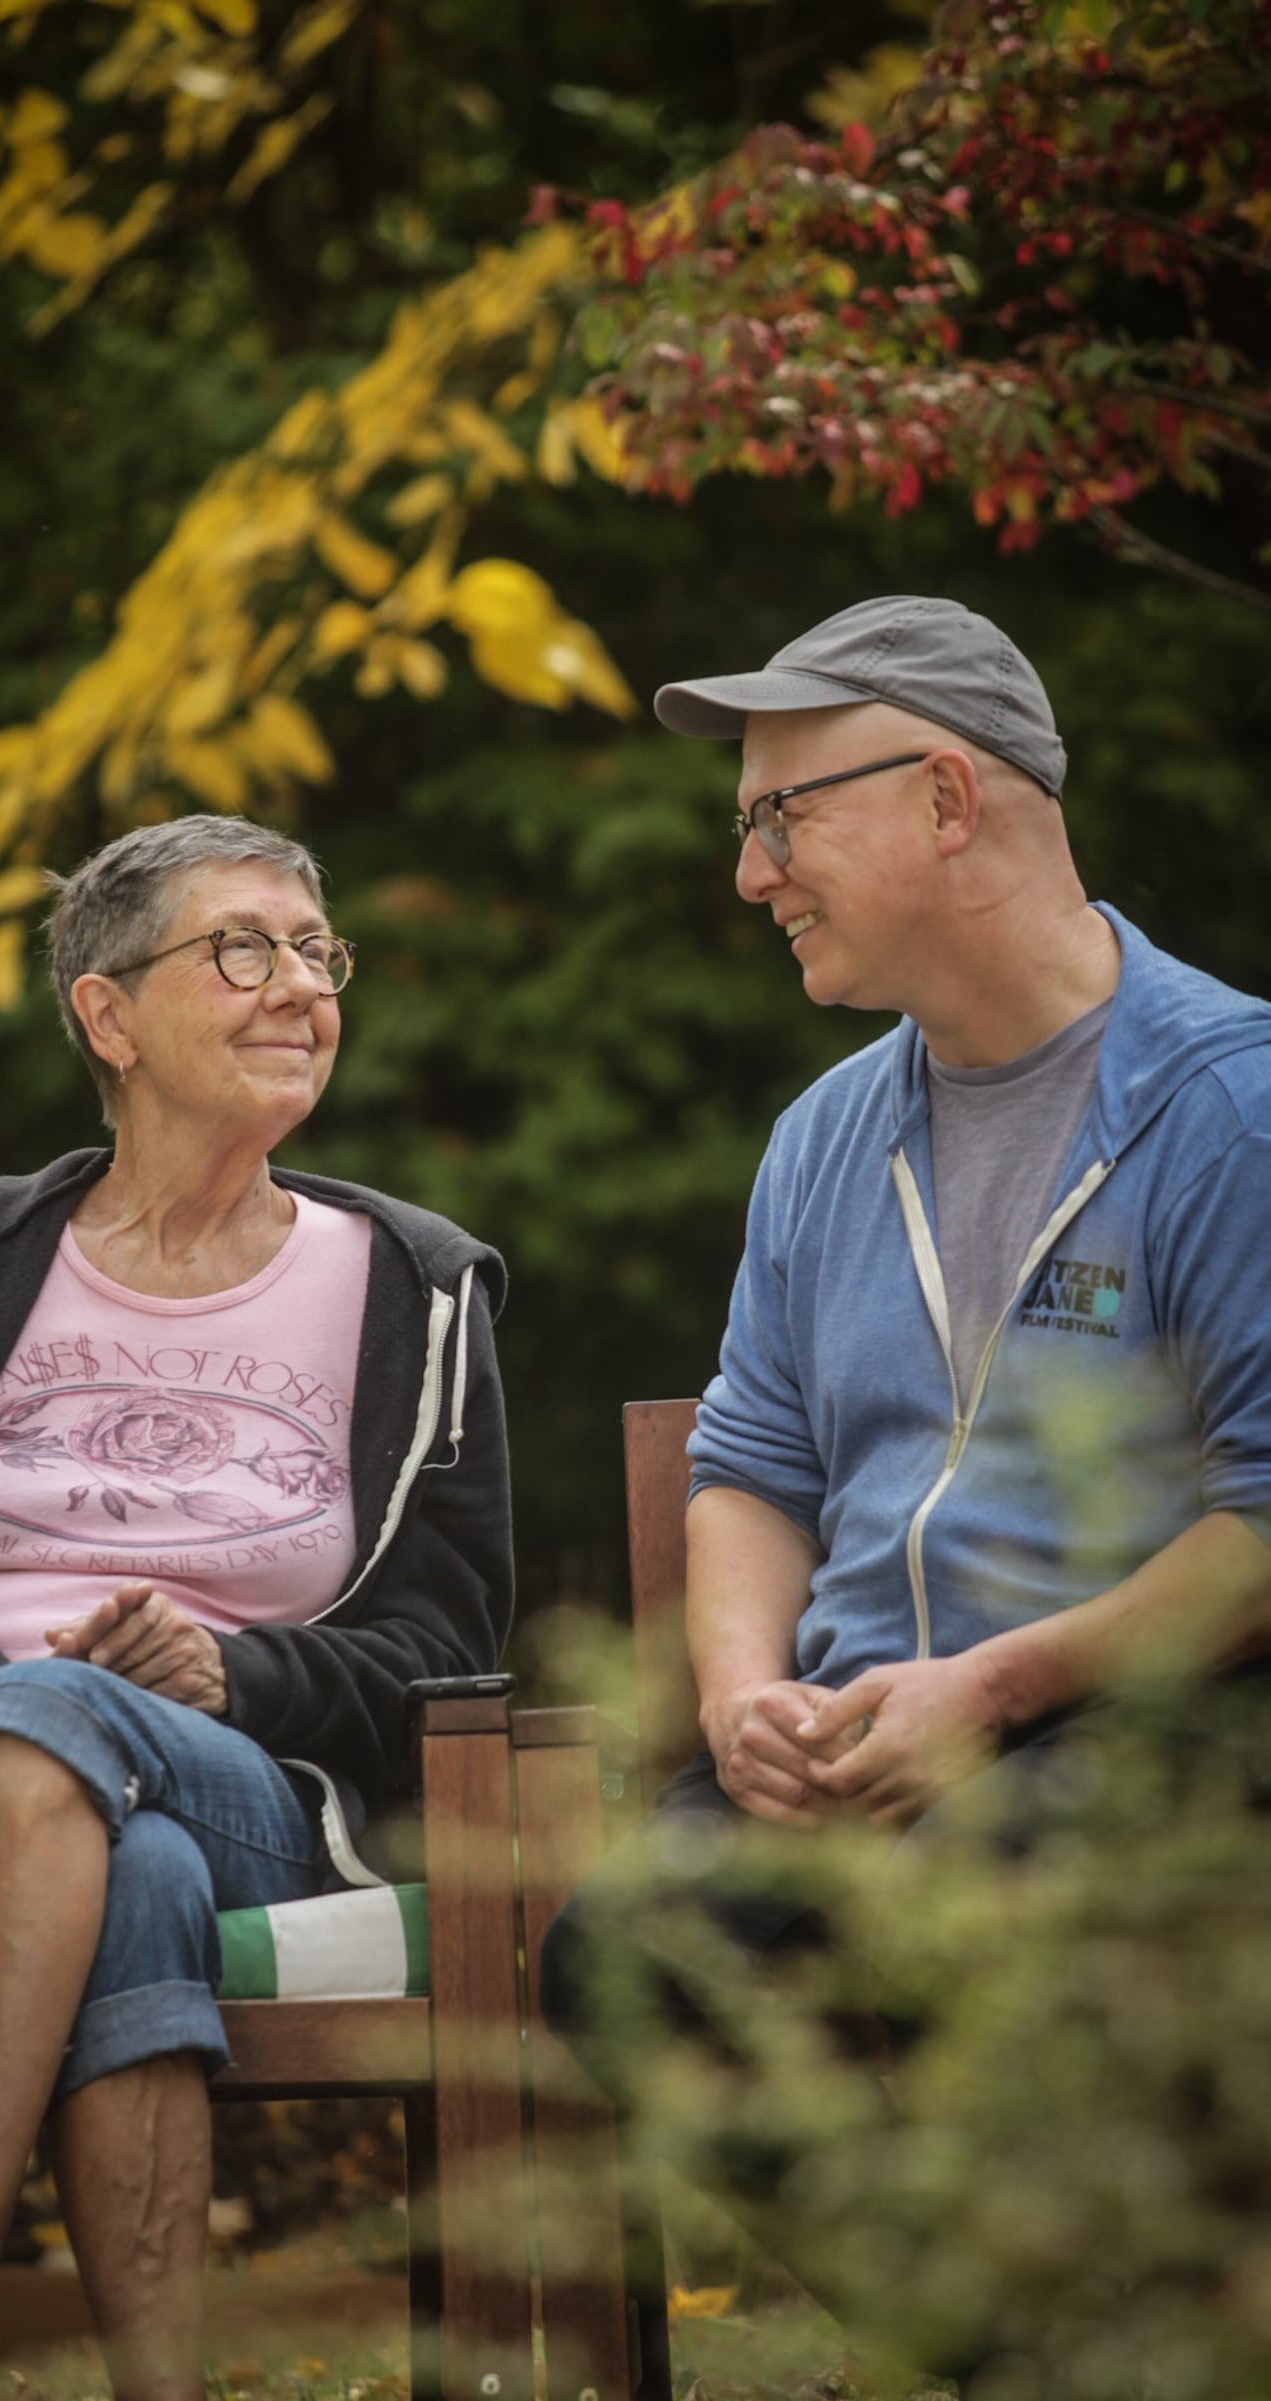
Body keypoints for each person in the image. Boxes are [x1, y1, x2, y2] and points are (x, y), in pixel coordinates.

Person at [541, 594, 1271, 2349]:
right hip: (860, 1746)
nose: (751, 873)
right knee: (622, 1956)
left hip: (1148, 1737)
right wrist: (737, 1699)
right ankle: (1021, 2358)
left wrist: (997, 1689)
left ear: (950, 800)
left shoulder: (1232, 1106)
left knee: (1000, 1899)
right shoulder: (822, 1137)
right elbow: (751, 1464)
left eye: (781, 817)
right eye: (746, 828)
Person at [0, 815, 513, 2401]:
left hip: (239, 1778)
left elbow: (446, 1642)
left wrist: (236, 1677)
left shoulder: (415, 1291)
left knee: (102, 1752)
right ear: (107, 1013)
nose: (297, 985)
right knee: (107, 1821)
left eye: (316, 950)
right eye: (243, 947)